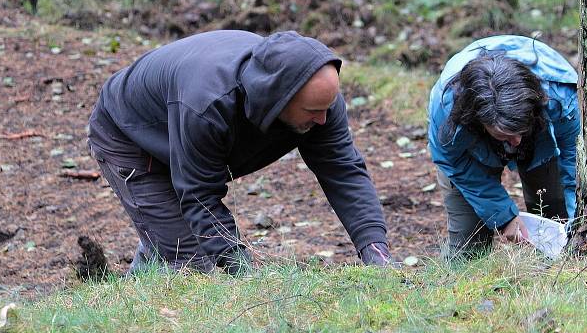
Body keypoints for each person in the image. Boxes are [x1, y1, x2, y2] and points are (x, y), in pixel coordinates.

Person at [88, 29, 393, 274]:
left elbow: (343, 170)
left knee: (177, 242)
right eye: (313, 111)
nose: (323, 120)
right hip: (129, 134)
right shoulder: (208, 104)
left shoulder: (320, 101)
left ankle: (155, 249)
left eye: (327, 108)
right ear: (277, 99)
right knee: (193, 269)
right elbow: (200, 196)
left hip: (184, 134)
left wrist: (375, 249)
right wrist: (245, 272)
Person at [427, 35, 579, 255]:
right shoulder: (447, 110)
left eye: (520, 132)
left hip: (541, 137)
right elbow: (453, 161)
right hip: (470, 153)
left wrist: (578, 226)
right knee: (469, 247)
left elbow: (575, 163)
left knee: (557, 219)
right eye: (505, 135)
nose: (515, 142)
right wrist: (504, 217)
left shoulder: (560, 96)